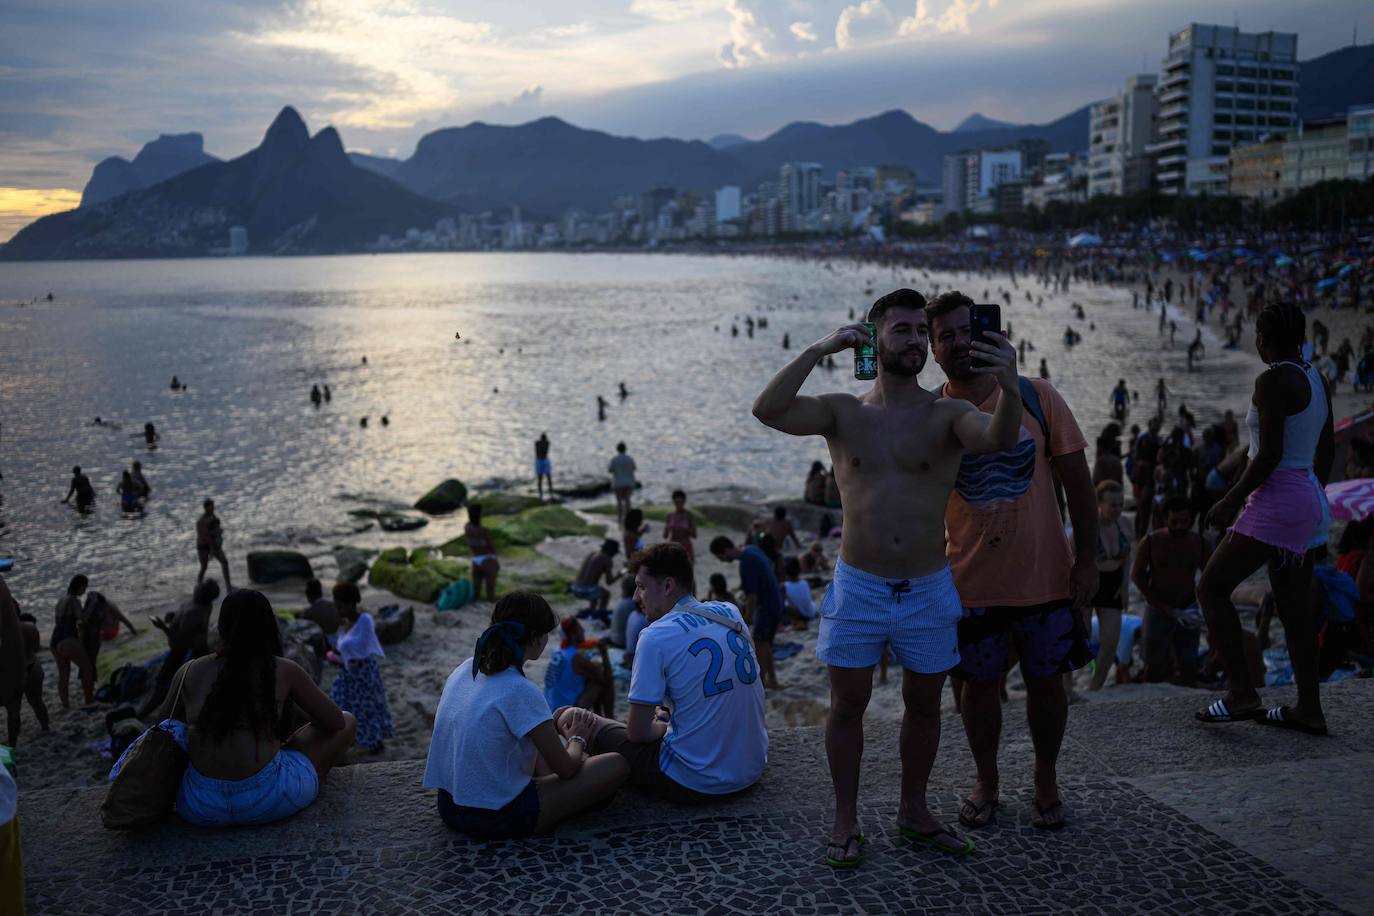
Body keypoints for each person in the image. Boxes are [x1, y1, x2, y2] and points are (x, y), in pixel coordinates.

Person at [752, 288, 1023, 865]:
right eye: (902, 330)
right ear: (874, 339)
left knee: (925, 706)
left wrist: (1012, 380)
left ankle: (914, 811)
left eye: (921, 332)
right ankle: (845, 820)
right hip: (860, 583)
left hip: (927, 586)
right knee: (846, 705)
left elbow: (999, 440)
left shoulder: (948, 413)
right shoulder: (842, 413)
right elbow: (767, 409)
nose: (917, 341)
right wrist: (822, 348)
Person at [926, 290, 1096, 835]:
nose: (958, 343)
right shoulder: (930, 417)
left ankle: (1046, 778)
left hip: (1044, 579)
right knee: (977, 689)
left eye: (966, 331)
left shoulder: (1037, 397)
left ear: (988, 334)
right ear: (931, 349)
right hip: (968, 585)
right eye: (945, 335)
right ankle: (987, 780)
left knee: (1049, 686)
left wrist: (1088, 563)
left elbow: (1079, 486)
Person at [1196, 302, 1333, 734]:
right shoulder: (1316, 376)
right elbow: (1325, 448)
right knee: (1294, 613)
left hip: (1276, 501)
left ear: (1262, 338)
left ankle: (1242, 693)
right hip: (1307, 497)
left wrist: (1230, 500)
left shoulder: (1271, 380)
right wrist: (1312, 501)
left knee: (1212, 588)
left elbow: (1269, 454)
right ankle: (1308, 708)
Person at [554, 543, 767, 806]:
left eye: (642, 587)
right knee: (656, 720)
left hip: (696, 780)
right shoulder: (729, 612)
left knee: (569, 715)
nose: (635, 597)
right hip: (751, 766)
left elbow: (638, 733)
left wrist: (663, 726)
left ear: (667, 586)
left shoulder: (655, 636)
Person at [423, 591, 627, 839]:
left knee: (536, 744)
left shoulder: (466, 668)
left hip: (449, 806)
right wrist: (577, 738)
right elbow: (566, 769)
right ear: (535, 639)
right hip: (495, 816)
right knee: (616, 764)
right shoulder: (520, 690)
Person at [167, 589, 357, 827]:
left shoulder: (189, 670)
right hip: (268, 800)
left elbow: (168, 728)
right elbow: (336, 723)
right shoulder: (283, 669)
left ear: (222, 628)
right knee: (348, 719)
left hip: (199, 805)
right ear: (269, 627)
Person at [1132, 496, 1208, 685]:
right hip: (1158, 610)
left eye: (1185, 522)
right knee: (1154, 665)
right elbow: (1137, 575)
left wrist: (1202, 602)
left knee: (1188, 664)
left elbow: (1212, 576)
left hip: (1188, 608)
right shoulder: (1151, 542)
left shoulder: (1199, 543)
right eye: (1174, 522)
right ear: (1165, 520)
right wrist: (1156, 602)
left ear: (1192, 519)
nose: (1180, 526)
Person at [709, 536, 785, 691]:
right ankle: (772, 680)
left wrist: (746, 621)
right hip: (776, 601)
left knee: (760, 643)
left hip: (767, 606)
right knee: (765, 643)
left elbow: (752, 597)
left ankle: (761, 684)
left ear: (724, 551)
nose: (722, 561)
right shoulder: (751, 549)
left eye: (720, 557)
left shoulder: (746, 562)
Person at [140, 580, 219, 719]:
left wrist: (162, 627)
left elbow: (178, 638)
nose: (198, 585)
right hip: (185, 649)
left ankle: (146, 714)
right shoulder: (196, 603)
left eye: (202, 585)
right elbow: (183, 617)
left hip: (190, 651)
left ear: (202, 592)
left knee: (168, 684)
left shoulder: (196, 611)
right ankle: (150, 711)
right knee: (168, 682)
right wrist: (173, 616)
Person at [328, 594, 394, 753]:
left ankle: (375, 743)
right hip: (349, 672)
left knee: (367, 707)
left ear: (352, 603)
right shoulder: (344, 625)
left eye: (341, 606)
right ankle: (352, 739)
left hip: (364, 672)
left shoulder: (365, 620)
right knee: (343, 704)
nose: (338, 610)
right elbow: (340, 648)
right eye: (336, 606)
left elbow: (361, 646)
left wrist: (341, 650)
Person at [1086, 482, 1132, 690]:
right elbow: (1069, 559)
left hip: (1112, 584)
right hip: (1088, 584)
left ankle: (1095, 686)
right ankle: (1066, 688)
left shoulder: (1124, 524)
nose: (1117, 509)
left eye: (1120, 504)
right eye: (1112, 505)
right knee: (1080, 638)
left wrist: (1125, 587)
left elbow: (1127, 558)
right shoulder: (1086, 525)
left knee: (1111, 641)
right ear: (1099, 503)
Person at [2, 578, 50, 746]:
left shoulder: (5, 634)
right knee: (37, 702)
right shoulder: (30, 626)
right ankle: (46, 728)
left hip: (11, 672)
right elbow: (36, 649)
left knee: (13, 711)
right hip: (33, 667)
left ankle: (13, 744)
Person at [544, 618, 615, 717]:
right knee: (603, 683)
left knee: (592, 676)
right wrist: (604, 653)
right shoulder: (575, 658)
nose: (583, 631)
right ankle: (610, 718)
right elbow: (607, 679)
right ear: (573, 635)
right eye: (580, 629)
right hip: (564, 713)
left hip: (550, 707)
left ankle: (599, 714)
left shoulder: (558, 651)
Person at [50, 575, 95, 707]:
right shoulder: (73, 600)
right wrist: (91, 604)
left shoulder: (61, 600)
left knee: (64, 674)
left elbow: (59, 623)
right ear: (80, 586)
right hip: (67, 640)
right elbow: (83, 619)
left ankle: (65, 705)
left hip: (54, 641)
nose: (85, 591)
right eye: (85, 587)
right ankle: (89, 701)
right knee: (87, 668)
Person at [572, 539, 621, 621]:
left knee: (595, 590)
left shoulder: (592, 554)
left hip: (575, 588)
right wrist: (620, 574)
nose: (614, 555)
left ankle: (592, 612)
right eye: (615, 553)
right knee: (606, 594)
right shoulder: (607, 559)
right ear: (611, 551)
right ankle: (601, 616)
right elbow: (609, 582)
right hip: (586, 591)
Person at [465, 504, 500, 602]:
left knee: (476, 594)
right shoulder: (484, 530)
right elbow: (490, 547)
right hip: (487, 560)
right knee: (490, 595)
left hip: (475, 560)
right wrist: (496, 561)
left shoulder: (467, 528)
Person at [196, 499, 233, 590]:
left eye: (213, 506)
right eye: (211, 507)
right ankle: (199, 586)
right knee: (204, 566)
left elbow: (216, 529)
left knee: (224, 562)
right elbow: (204, 534)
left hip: (214, 544)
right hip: (203, 545)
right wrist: (211, 548)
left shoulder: (213, 517)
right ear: (206, 508)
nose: (213, 508)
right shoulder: (201, 521)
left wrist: (219, 531)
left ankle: (228, 585)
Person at [662, 490, 698, 563]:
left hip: (686, 546)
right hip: (673, 546)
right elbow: (665, 536)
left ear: (684, 501)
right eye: (677, 502)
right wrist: (668, 528)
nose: (679, 504)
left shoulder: (689, 515)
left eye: (681, 502)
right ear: (673, 502)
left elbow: (694, 535)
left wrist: (686, 529)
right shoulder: (670, 515)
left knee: (687, 571)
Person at [781, 556, 816, 626]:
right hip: (812, 612)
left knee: (783, 606)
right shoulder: (805, 582)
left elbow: (781, 605)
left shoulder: (784, 586)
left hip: (801, 616)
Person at [609, 442, 637, 523]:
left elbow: (610, 470)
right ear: (625, 449)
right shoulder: (630, 459)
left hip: (618, 483)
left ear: (617, 449)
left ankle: (620, 518)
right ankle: (628, 517)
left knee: (619, 501)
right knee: (628, 500)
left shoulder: (615, 459)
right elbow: (634, 468)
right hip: (629, 482)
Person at [534, 433, 554, 500]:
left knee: (548, 477)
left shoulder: (546, 443)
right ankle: (541, 494)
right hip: (539, 460)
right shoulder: (537, 443)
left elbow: (544, 449)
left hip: (544, 460)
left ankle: (550, 493)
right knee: (540, 478)